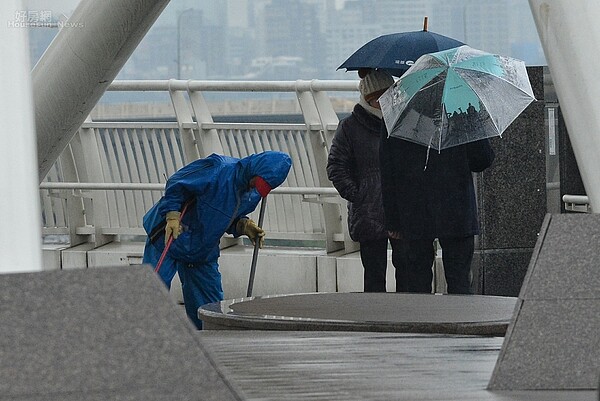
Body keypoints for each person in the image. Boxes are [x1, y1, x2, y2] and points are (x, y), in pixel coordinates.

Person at [142, 151, 292, 329]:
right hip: (169, 236)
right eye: (258, 182)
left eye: (264, 187)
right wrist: (172, 215)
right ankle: (142, 340)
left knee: (209, 309)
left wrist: (242, 225)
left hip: (201, 248)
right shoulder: (218, 168)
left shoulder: (252, 194)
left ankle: (207, 345)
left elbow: (222, 218)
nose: (256, 187)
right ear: (255, 169)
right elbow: (177, 183)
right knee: (152, 295)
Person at [379, 131, 495, 294]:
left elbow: (387, 169)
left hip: (414, 209)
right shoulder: (460, 110)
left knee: (417, 284)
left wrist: (393, 220)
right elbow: (482, 160)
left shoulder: (399, 113)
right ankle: (460, 319)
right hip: (456, 209)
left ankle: (423, 319)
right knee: (459, 281)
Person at [327, 68, 407, 292]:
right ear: (367, 98)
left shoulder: (402, 123)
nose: (383, 103)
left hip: (401, 210)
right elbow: (336, 166)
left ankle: (407, 317)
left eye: (387, 96)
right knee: (374, 275)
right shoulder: (350, 127)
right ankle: (376, 321)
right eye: (377, 98)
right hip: (368, 212)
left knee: (407, 270)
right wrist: (358, 194)